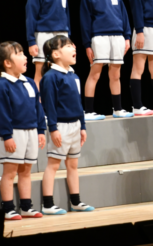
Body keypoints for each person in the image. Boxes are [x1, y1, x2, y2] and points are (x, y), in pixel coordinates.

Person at [40, 35, 95, 214]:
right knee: (53, 165)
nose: (74, 48)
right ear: (56, 54)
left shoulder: (74, 76)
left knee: (73, 165)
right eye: (68, 46)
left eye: (73, 45)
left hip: (75, 126)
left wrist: (83, 126)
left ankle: (75, 202)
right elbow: (49, 105)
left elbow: (78, 104)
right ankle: (48, 204)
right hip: (61, 127)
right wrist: (53, 129)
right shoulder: (50, 77)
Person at [76, 0, 132, 119]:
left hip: (118, 37)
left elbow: (124, 15)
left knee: (116, 75)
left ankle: (118, 109)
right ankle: (88, 111)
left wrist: (127, 37)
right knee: (95, 74)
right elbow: (85, 23)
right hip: (99, 38)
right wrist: (87, 45)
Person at [0, 41, 46, 220]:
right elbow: (3, 112)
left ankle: (26, 207)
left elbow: (38, 108)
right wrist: (7, 135)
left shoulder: (29, 82)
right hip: (14, 133)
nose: (25, 57)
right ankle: (8, 209)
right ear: (7, 63)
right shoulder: (3, 84)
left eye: (23, 53)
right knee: (10, 172)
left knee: (26, 171)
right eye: (19, 54)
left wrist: (41, 130)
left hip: (31, 132)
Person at [25, 0, 70, 90]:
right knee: (41, 70)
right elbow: (31, 17)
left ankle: (59, 101)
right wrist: (31, 41)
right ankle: (38, 103)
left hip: (62, 35)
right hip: (43, 34)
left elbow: (66, 15)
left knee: (62, 69)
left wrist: (69, 38)